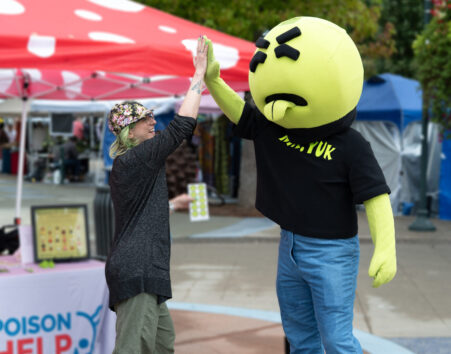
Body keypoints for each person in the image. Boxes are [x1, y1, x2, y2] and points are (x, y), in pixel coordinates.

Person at [203, 17, 396, 354]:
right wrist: (214, 81)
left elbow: (375, 195)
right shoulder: (274, 129)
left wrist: (386, 247)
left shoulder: (351, 145)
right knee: (299, 336)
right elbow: (241, 113)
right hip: (289, 244)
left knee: (336, 338)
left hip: (332, 252)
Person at [105, 36, 208, 354]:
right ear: (128, 132)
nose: (153, 121)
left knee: (162, 346)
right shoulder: (138, 156)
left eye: (151, 115)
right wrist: (199, 74)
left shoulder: (132, 163)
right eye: (144, 119)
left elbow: (139, 213)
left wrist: (172, 205)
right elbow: (182, 126)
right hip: (138, 269)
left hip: (144, 270)